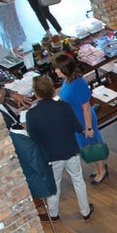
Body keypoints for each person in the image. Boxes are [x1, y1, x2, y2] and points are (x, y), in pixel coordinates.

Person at [25, 75, 94, 222]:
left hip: (51, 156)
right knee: (78, 180)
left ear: (36, 93)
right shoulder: (64, 106)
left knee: (54, 184)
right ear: (52, 90)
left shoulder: (31, 114)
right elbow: (76, 127)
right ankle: (85, 211)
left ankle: (54, 214)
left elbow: (34, 139)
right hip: (71, 150)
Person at [52, 53, 108, 184]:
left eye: (57, 68)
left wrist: (89, 128)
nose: (55, 71)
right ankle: (98, 166)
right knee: (86, 145)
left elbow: (86, 109)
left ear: (65, 69)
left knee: (92, 144)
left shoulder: (78, 85)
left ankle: (102, 170)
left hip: (84, 120)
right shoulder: (66, 79)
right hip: (76, 119)